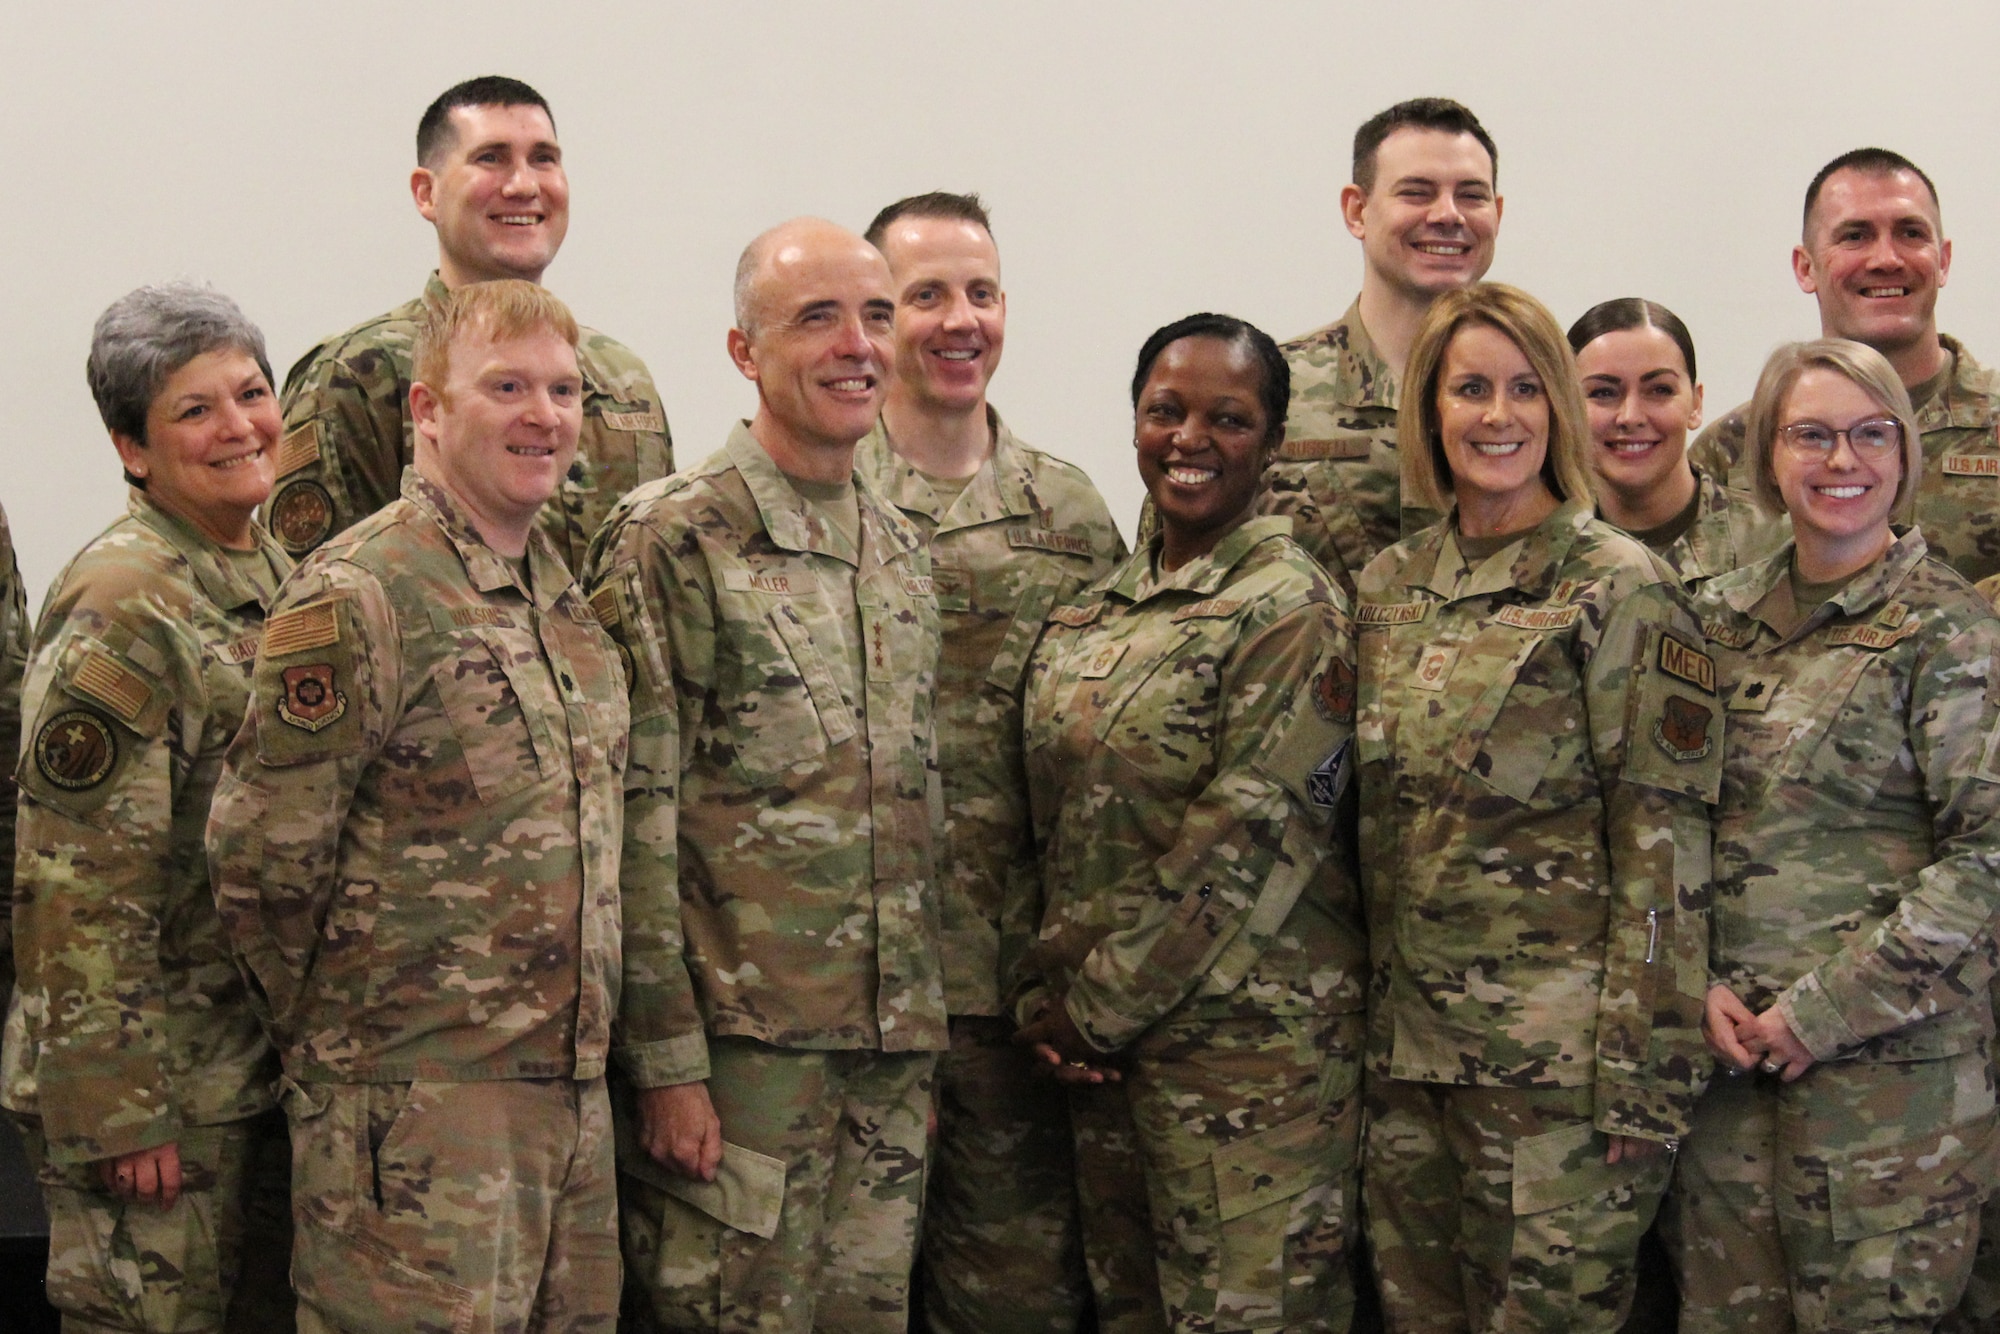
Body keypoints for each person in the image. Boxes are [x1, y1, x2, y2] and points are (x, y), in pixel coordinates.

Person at [208, 281, 628, 1333]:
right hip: (413, 1115)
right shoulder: (362, 591)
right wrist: (357, 1052)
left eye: (563, 389)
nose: (543, 414)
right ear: (428, 410)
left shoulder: (561, 603)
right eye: (507, 386)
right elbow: (261, 860)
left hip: (567, 1104)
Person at [584, 217, 946, 1333]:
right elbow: (631, 823)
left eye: (877, 316)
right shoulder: (671, 540)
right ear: (744, 352)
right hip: (741, 1068)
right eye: (816, 318)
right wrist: (665, 1063)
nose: (857, 345)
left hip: (885, 1058)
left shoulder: (897, 545)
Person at [1353, 283, 1719, 1331]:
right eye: (1468, 388)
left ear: (1556, 407)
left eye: (1523, 388)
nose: (1496, 415)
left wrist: (1645, 1072)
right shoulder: (1386, 586)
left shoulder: (1619, 585)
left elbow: (1663, 842)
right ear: (1430, 409)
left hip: (1557, 1082)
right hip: (1405, 1065)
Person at [1013, 313, 1364, 1333]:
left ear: (1274, 440)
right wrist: (1042, 993)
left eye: (1228, 417)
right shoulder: (1095, 611)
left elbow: (1250, 839)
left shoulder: (1292, 608)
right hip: (1104, 1074)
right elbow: (1038, 820)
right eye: (1164, 411)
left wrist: (1092, 1007)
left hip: (1248, 1086)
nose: (1189, 438)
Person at [1672, 339, 2000, 1333]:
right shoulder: (1712, 618)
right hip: (1726, 1085)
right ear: (1767, 456)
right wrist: (1691, 978)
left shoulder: (1946, 630)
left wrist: (1817, 1010)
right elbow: (1664, 819)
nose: (1839, 459)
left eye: (1867, 434)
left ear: (1901, 456)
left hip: (1887, 1101)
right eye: (1807, 434)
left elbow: (1984, 859)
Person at [852, 190, 1123, 1334]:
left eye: (980, 292)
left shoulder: (1067, 512)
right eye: (924, 296)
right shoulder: (815, 493)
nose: (959, 321)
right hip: (845, 1001)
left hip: (1010, 1004)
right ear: (875, 317)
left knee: (1016, 1306)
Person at [3, 283, 295, 1331]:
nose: (239, 427)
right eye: (195, 411)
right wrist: (122, 1112)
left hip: (248, 1074)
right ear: (133, 447)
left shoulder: (270, 572)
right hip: (160, 1094)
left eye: (251, 393)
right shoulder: (126, 603)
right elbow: (76, 884)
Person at [268, 74, 672, 570]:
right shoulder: (355, 376)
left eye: (543, 159)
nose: (523, 185)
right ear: (427, 193)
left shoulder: (622, 378)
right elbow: (313, 592)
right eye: (491, 158)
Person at [1228, 96, 1502, 597]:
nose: (1448, 215)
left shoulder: (1548, 397)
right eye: (1417, 193)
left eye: (1471, 195)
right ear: (1357, 211)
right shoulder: (1263, 391)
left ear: (1497, 213)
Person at [1689, 148, 2000, 584]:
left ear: (1943, 260)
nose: (1887, 259)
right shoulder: (1733, 450)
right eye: (1855, 236)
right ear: (1805, 267)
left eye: (1911, 233)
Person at [1568, 297, 1785, 582]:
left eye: (1659, 390)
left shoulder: (1778, 546)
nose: (1630, 416)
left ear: (1696, 404)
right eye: (1603, 393)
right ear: (1567, 407)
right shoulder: (1541, 552)